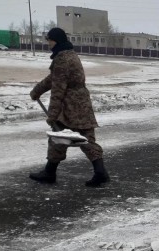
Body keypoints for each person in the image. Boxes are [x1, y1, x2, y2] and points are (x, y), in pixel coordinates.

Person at [29, 27, 109, 186]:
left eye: (49, 40)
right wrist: (36, 91)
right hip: (82, 102)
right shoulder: (70, 55)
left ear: (55, 40)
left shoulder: (62, 59)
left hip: (70, 106)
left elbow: (58, 89)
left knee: (64, 137)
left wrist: (52, 115)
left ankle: (50, 172)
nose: (48, 43)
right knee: (77, 138)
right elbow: (53, 78)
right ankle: (100, 172)